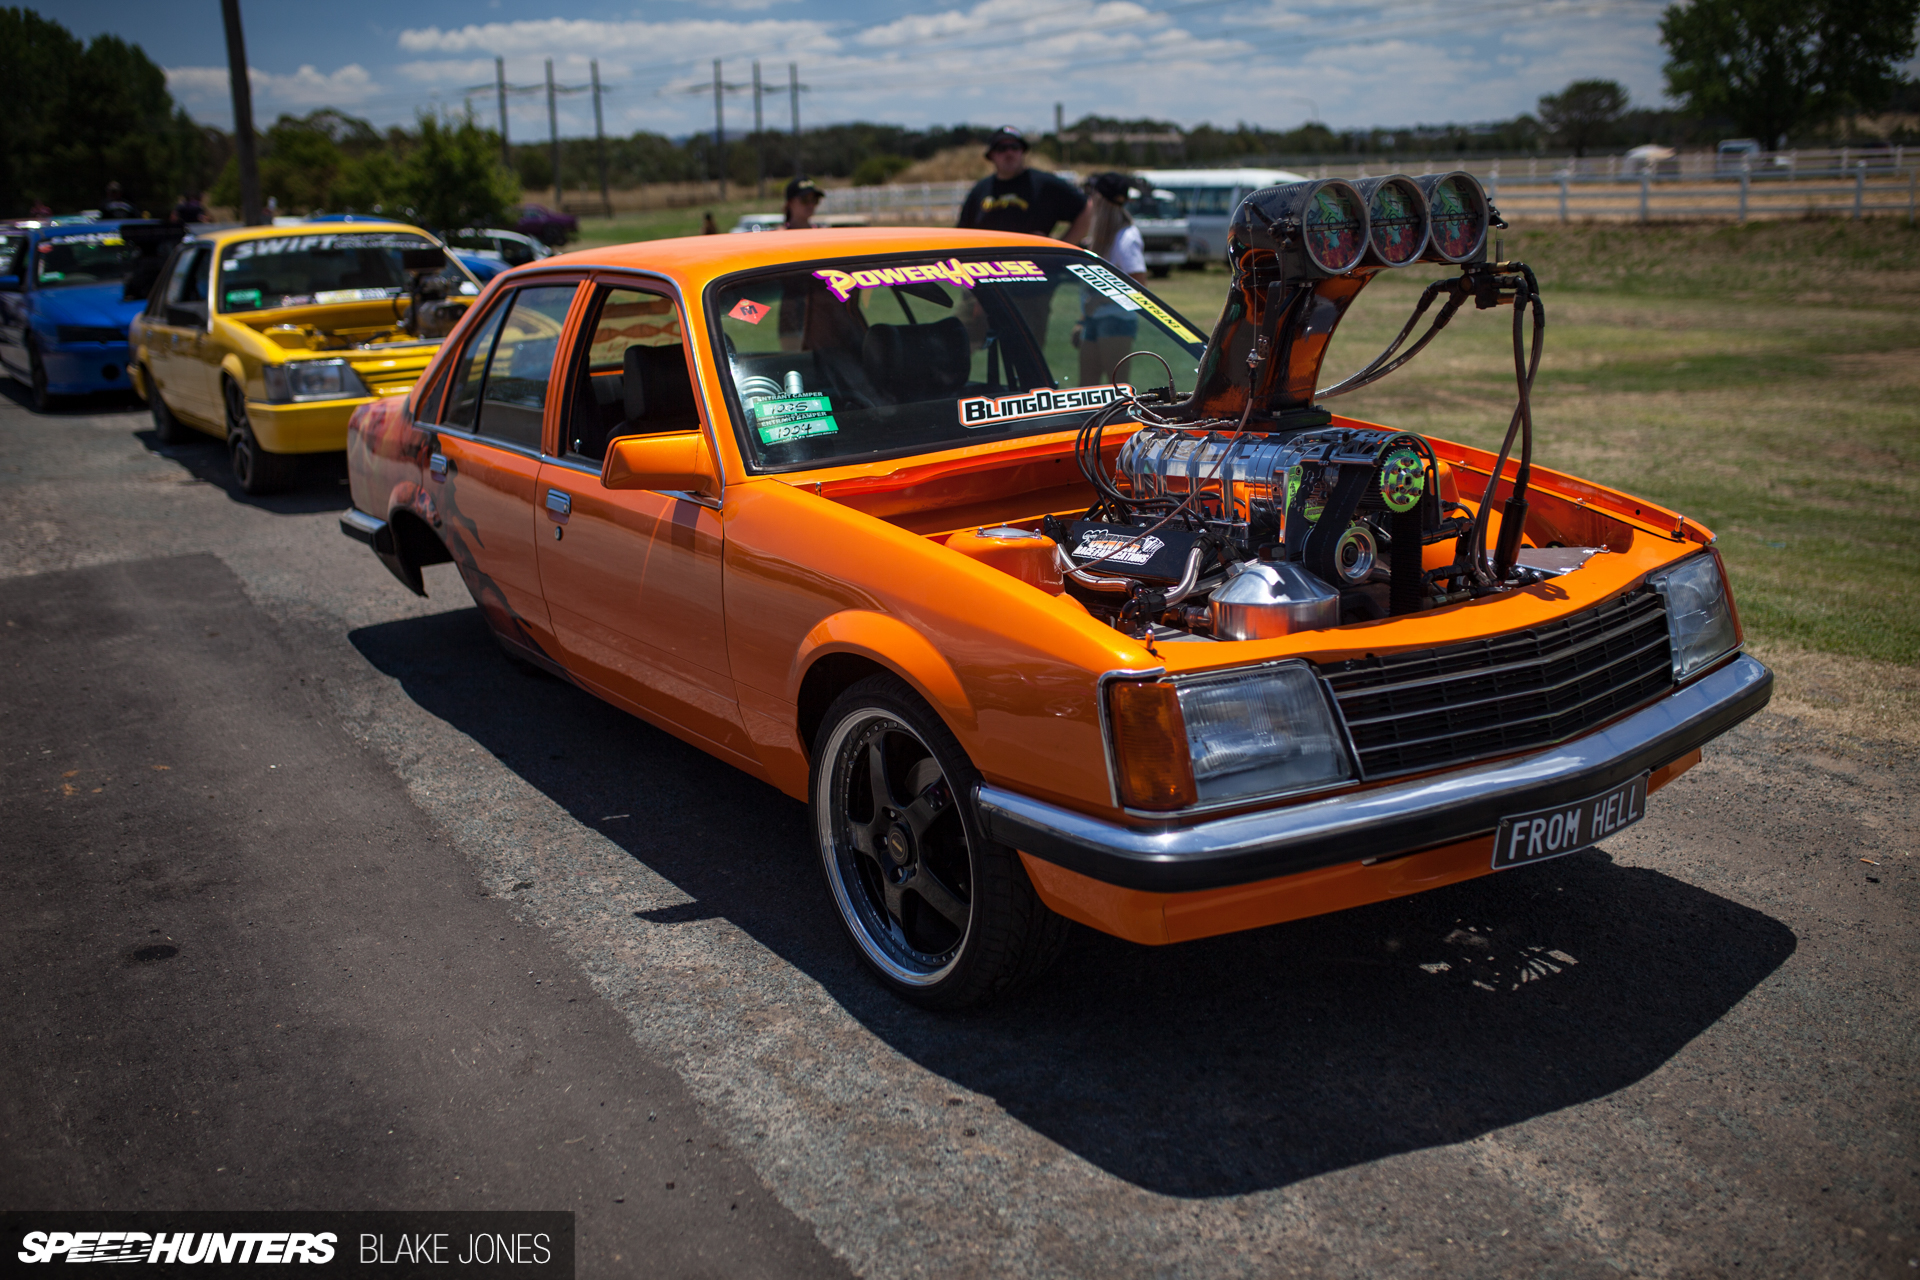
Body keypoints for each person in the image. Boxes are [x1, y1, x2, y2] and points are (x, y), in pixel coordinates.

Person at [1076, 173, 1150, 388]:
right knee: (1086, 388)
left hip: (1116, 321)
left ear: (1099, 199)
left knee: (1116, 387)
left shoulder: (1126, 237)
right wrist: (1082, 319)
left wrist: (1100, 301)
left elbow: (1139, 288)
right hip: (1093, 320)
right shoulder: (1103, 236)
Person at [956, 127, 1090, 243]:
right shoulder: (980, 190)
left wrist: (1062, 247)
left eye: (1015, 147)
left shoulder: (1044, 184)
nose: (1009, 153)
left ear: (1022, 152)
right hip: (988, 268)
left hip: (1034, 267)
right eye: (1002, 148)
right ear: (991, 155)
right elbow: (961, 235)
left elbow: (1086, 209)